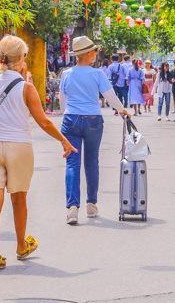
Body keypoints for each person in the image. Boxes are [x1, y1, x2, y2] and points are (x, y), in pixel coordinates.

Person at [0, 35, 76, 271]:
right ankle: (21, 245)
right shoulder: (26, 87)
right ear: (20, 59)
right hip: (19, 147)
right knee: (19, 198)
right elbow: (44, 122)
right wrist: (64, 141)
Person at [59, 37, 129, 225]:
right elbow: (111, 97)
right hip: (93, 120)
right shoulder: (97, 74)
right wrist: (122, 111)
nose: (96, 54)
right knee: (92, 162)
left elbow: (62, 101)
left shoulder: (67, 74)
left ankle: (73, 209)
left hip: (71, 119)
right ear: (88, 54)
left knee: (72, 163)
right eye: (94, 51)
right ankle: (91, 204)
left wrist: (69, 115)